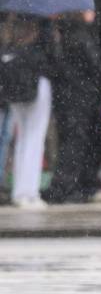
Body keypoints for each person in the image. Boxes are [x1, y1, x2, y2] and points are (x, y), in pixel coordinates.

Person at [44, 10, 101, 204]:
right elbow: (98, 67)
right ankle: (69, 187)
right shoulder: (82, 36)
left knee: (69, 142)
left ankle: (66, 186)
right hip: (82, 98)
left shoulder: (59, 37)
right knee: (77, 144)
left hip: (67, 99)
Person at [5, 15, 53, 209]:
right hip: (36, 84)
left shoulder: (12, 32)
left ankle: (20, 191)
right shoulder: (43, 32)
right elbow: (51, 60)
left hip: (16, 87)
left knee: (23, 139)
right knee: (34, 139)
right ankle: (29, 191)